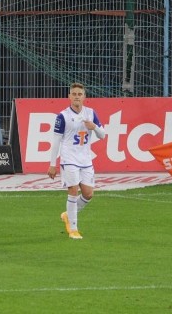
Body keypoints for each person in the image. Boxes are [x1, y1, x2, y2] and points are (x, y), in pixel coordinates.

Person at [47, 82, 106, 240]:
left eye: (80, 94)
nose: (77, 97)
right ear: (69, 97)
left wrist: (94, 127)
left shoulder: (91, 113)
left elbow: (103, 135)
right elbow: (56, 140)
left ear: (84, 97)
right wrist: (53, 164)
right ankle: (73, 229)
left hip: (86, 159)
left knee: (88, 194)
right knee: (73, 191)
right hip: (69, 158)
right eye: (74, 94)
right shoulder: (63, 116)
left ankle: (68, 215)